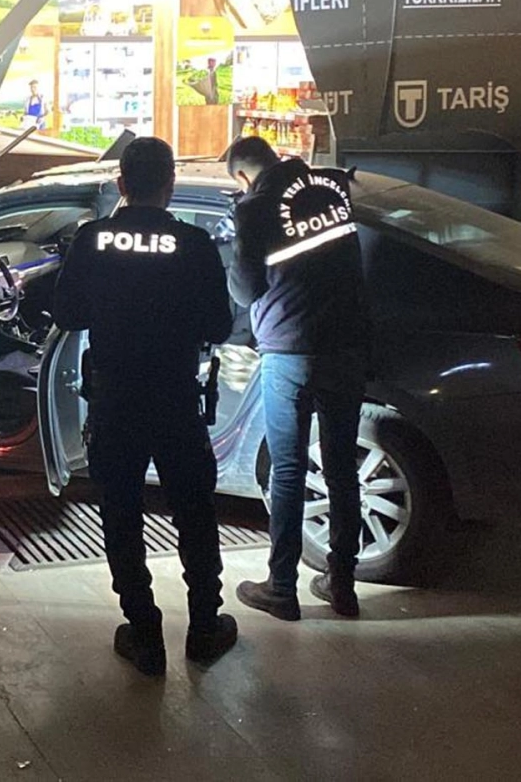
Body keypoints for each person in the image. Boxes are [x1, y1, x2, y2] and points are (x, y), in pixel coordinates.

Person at [53, 137, 238, 675]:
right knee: (194, 512)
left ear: (121, 184)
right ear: (170, 186)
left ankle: (144, 633)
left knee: (121, 512)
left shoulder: (92, 240)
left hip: (116, 399)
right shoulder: (194, 244)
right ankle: (204, 627)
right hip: (176, 398)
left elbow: (66, 313)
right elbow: (219, 325)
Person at [225, 136, 370, 621]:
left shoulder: (255, 209)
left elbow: (245, 290)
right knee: (342, 467)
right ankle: (342, 584)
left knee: (287, 469)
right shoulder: (330, 188)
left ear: (243, 176)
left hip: (291, 351)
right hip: (347, 346)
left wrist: (239, 230)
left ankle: (281, 588)